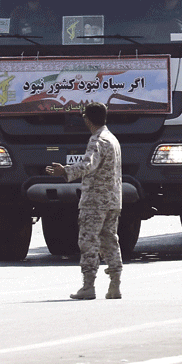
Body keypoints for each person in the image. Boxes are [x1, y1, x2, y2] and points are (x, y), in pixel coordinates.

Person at [46, 103, 123, 301]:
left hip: (95, 201)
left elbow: (89, 164)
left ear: (87, 120)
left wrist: (65, 170)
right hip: (113, 200)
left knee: (88, 242)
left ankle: (88, 286)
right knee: (110, 241)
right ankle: (115, 284)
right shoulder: (113, 139)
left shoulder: (97, 140)